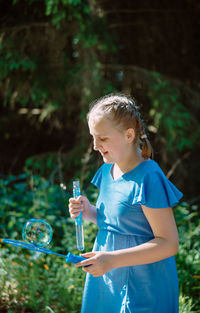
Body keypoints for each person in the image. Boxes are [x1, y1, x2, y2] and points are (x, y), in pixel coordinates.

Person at [68, 93, 183, 313]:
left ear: (129, 135)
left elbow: (169, 243)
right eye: (93, 137)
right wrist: (88, 211)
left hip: (145, 285)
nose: (95, 146)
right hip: (108, 281)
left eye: (103, 138)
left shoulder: (148, 176)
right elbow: (113, 221)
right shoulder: (106, 170)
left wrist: (111, 260)